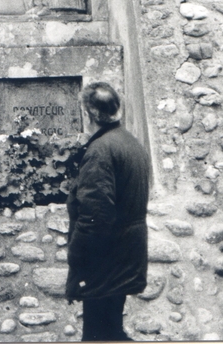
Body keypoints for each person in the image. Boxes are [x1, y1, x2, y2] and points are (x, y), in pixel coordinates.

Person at [66, 82, 150, 342]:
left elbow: (95, 215)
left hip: (105, 258)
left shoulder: (101, 150)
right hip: (125, 254)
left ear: (87, 114)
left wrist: (76, 257)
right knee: (110, 330)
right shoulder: (130, 142)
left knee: (99, 335)